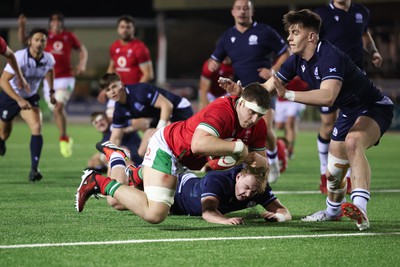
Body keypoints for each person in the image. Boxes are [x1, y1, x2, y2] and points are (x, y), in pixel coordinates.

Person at [218, 9, 393, 231]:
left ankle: (360, 208)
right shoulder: (295, 61)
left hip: (374, 107)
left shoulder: (331, 56)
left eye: (295, 32)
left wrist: (289, 95)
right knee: (333, 172)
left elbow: (327, 96)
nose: (289, 38)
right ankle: (332, 211)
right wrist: (240, 91)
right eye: (289, 33)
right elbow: (266, 90)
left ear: (311, 36)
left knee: (354, 141)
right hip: (349, 111)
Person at [75, 83, 271, 225]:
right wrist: (236, 149)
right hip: (169, 147)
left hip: (183, 159)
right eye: (252, 112)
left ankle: (119, 160)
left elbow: (259, 164)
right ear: (242, 103)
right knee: (155, 214)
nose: (254, 119)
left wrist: (256, 159)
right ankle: (96, 181)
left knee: (116, 201)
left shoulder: (256, 125)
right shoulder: (222, 111)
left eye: (260, 115)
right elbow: (198, 144)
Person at [208, 0, 291, 183]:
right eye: (238, 8)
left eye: (246, 8)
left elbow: (286, 52)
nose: (242, 12)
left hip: (263, 89)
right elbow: (214, 60)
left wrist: (274, 69)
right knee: (238, 128)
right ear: (232, 12)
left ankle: (274, 160)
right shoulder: (227, 36)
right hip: (239, 93)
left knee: (265, 127)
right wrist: (213, 64)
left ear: (252, 11)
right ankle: (239, 165)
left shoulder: (264, 31)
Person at [314, 0, 383, 194]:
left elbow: (365, 34)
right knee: (328, 126)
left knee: (352, 128)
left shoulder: (362, 11)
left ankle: (350, 175)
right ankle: (323, 173)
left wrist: (374, 51)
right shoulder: (321, 13)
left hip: (355, 78)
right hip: (329, 76)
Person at [18, 13, 88, 158]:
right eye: (53, 22)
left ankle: (63, 138)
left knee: (59, 106)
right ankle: (66, 136)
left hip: (66, 78)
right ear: (50, 24)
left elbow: (82, 50)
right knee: (56, 110)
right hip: (48, 79)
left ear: (62, 24)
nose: (56, 25)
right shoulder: (44, 36)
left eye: (59, 22)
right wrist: (22, 26)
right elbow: (24, 40)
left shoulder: (69, 36)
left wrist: (82, 64)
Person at [0, 28, 56, 181]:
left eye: (42, 40)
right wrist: (18, 99)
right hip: (10, 95)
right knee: (4, 133)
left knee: (37, 126)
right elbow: (3, 81)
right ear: (30, 41)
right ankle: (2, 141)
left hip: (30, 97)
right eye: (36, 39)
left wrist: (51, 91)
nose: (39, 43)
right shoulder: (20, 57)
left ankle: (34, 169)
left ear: (46, 43)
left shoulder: (48, 58)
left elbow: (50, 71)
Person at [99, 72, 194, 153]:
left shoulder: (139, 91)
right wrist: (110, 154)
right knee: (143, 152)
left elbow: (167, 105)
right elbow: (116, 137)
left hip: (180, 109)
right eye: (108, 90)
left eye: (114, 86)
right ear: (105, 93)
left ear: (122, 85)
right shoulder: (119, 110)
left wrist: (158, 130)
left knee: (160, 142)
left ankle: (185, 165)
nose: (112, 92)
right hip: (159, 117)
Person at [170, 166, 291, 225]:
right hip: (176, 190)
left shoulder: (259, 187)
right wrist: (225, 220)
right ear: (238, 177)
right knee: (155, 214)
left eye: (253, 192)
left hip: (190, 187)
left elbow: (284, 211)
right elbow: (208, 212)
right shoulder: (217, 179)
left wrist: (278, 217)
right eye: (247, 187)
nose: (248, 194)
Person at [98, 14, 154, 120]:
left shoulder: (140, 48)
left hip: (133, 94)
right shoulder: (114, 47)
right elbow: (111, 68)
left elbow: (148, 74)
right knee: (111, 120)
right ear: (118, 29)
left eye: (128, 27)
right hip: (117, 91)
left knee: (140, 124)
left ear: (133, 29)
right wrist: (104, 89)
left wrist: (136, 92)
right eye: (122, 27)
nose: (125, 30)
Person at [274, 76, 307, 159]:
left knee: (289, 124)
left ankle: (289, 150)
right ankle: (287, 144)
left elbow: (306, 84)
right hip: (281, 99)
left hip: (296, 98)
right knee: (279, 126)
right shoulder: (279, 64)